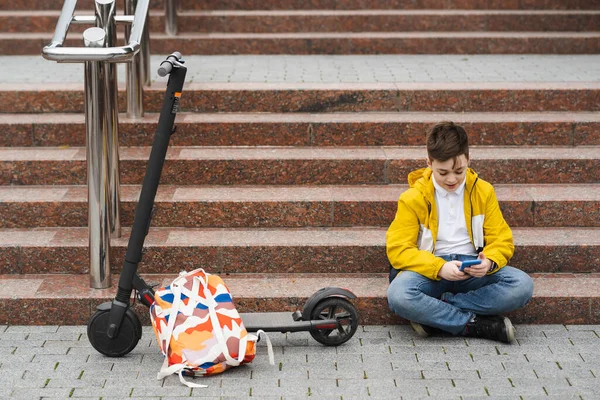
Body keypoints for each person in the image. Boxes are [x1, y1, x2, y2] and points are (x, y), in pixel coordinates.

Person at [386, 122, 534, 343]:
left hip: (472, 268)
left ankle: (437, 313)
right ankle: (477, 325)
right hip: (430, 270)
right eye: (443, 172)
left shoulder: (484, 191)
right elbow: (398, 250)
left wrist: (490, 262)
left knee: (522, 286)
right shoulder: (412, 198)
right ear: (429, 162)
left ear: (468, 159)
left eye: (459, 171)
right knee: (399, 295)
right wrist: (439, 267)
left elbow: (502, 240)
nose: (452, 179)